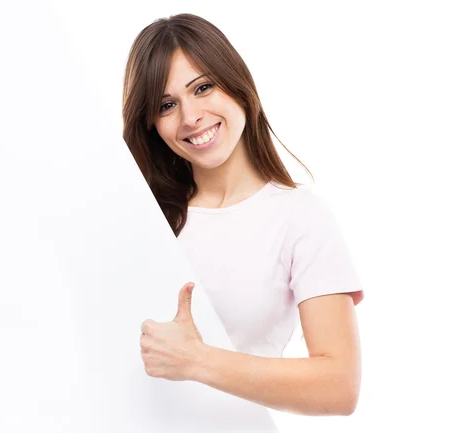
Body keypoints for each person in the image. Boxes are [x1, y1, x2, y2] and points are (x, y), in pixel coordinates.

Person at [122, 13, 365, 417]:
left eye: (203, 87)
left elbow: (340, 386)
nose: (190, 117)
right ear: (151, 124)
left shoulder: (299, 217)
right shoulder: (141, 217)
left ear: (237, 84)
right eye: (167, 104)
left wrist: (197, 361)